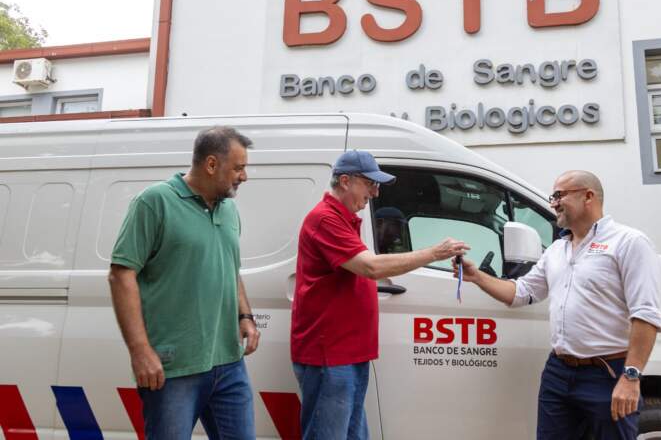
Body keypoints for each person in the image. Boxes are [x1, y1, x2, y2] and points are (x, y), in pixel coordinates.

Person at [453, 170, 661, 440]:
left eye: (559, 195)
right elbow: (522, 293)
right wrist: (476, 277)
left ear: (588, 196)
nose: (553, 203)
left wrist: (631, 377)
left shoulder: (629, 242)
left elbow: (645, 314)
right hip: (558, 372)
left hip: (607, 374)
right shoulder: (556, 250)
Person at [291, 150, 469, 440]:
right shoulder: (325, 219)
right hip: (331, 354)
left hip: (347, 353)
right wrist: (433, 253)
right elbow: (370, 267)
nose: (375, 193)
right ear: (345, 181)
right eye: (370, 184)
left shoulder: (345, 218)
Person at [108, 126, 260, 440]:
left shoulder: (229, 209)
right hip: (174, 368)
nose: (244, 176)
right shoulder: (154, 202)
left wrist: (245, 315)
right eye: (239, 167)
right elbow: (121, 274)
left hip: (229, 363)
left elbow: (230, 267)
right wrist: (140, 351)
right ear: (212, 164)